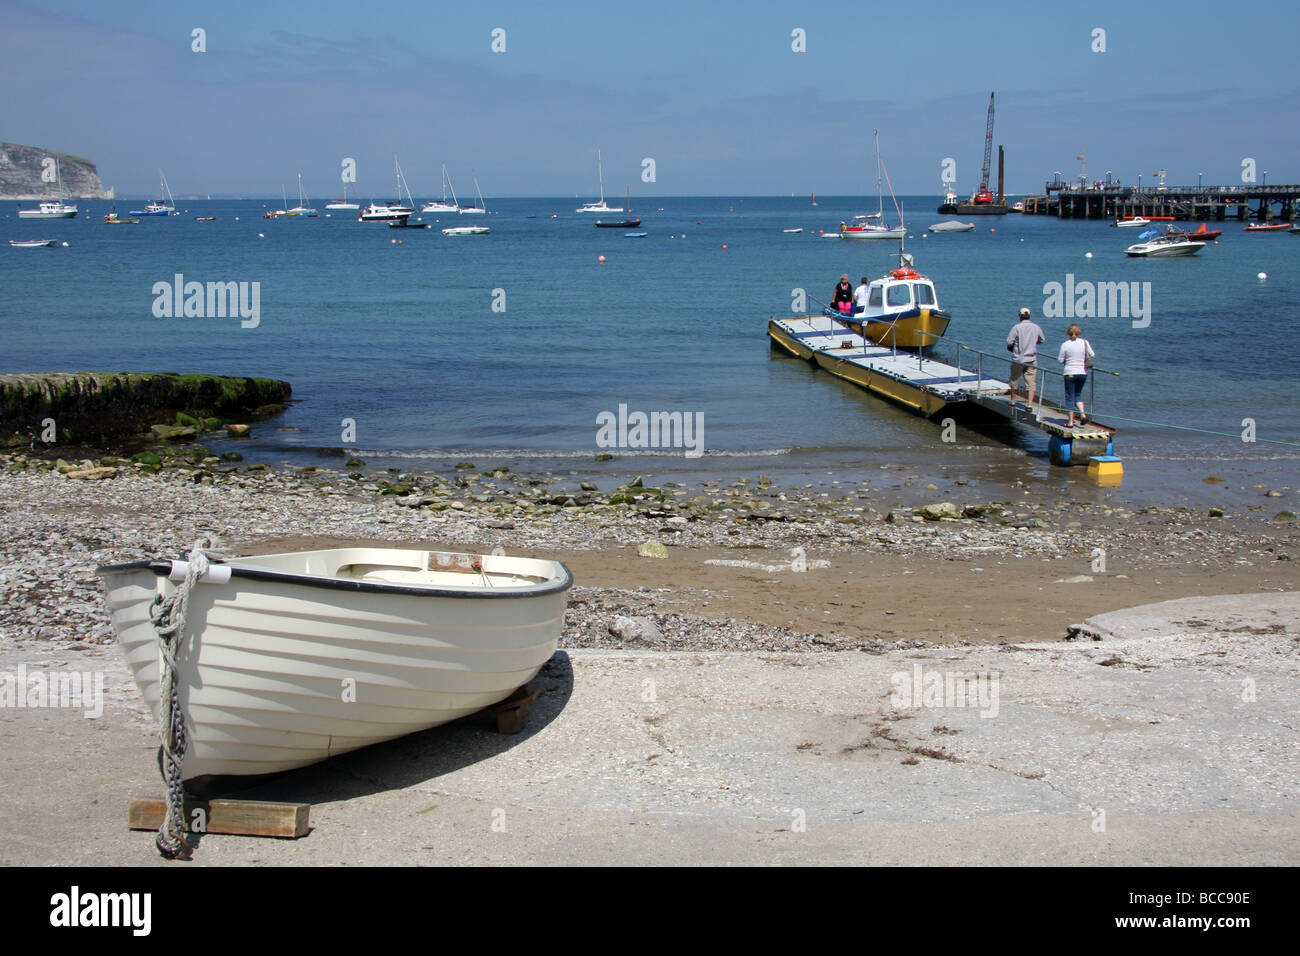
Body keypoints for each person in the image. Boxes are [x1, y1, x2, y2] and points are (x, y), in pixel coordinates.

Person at [1005, 307, 1045, 409]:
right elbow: (1042, 340)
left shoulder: (1016, 327)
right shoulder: (1036, 327)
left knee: (1014, 380)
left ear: (1020, 316)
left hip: (1018, 358)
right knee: (1031, 382)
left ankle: (1013, 401)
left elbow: (1009, 341)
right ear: (1029, 316)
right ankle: (1030, 404)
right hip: (1031, 358)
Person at [1058, 323, 1095, 427]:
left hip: (1070, 373)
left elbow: (1060, 360)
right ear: (1078, 332)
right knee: (1077, 394)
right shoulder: (1084, 342)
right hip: (1082, 372)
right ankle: (1082, 415)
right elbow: (1092, 354)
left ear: (1068, 333)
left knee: (1070, 397)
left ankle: (1070, 422)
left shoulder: (1065, 344)